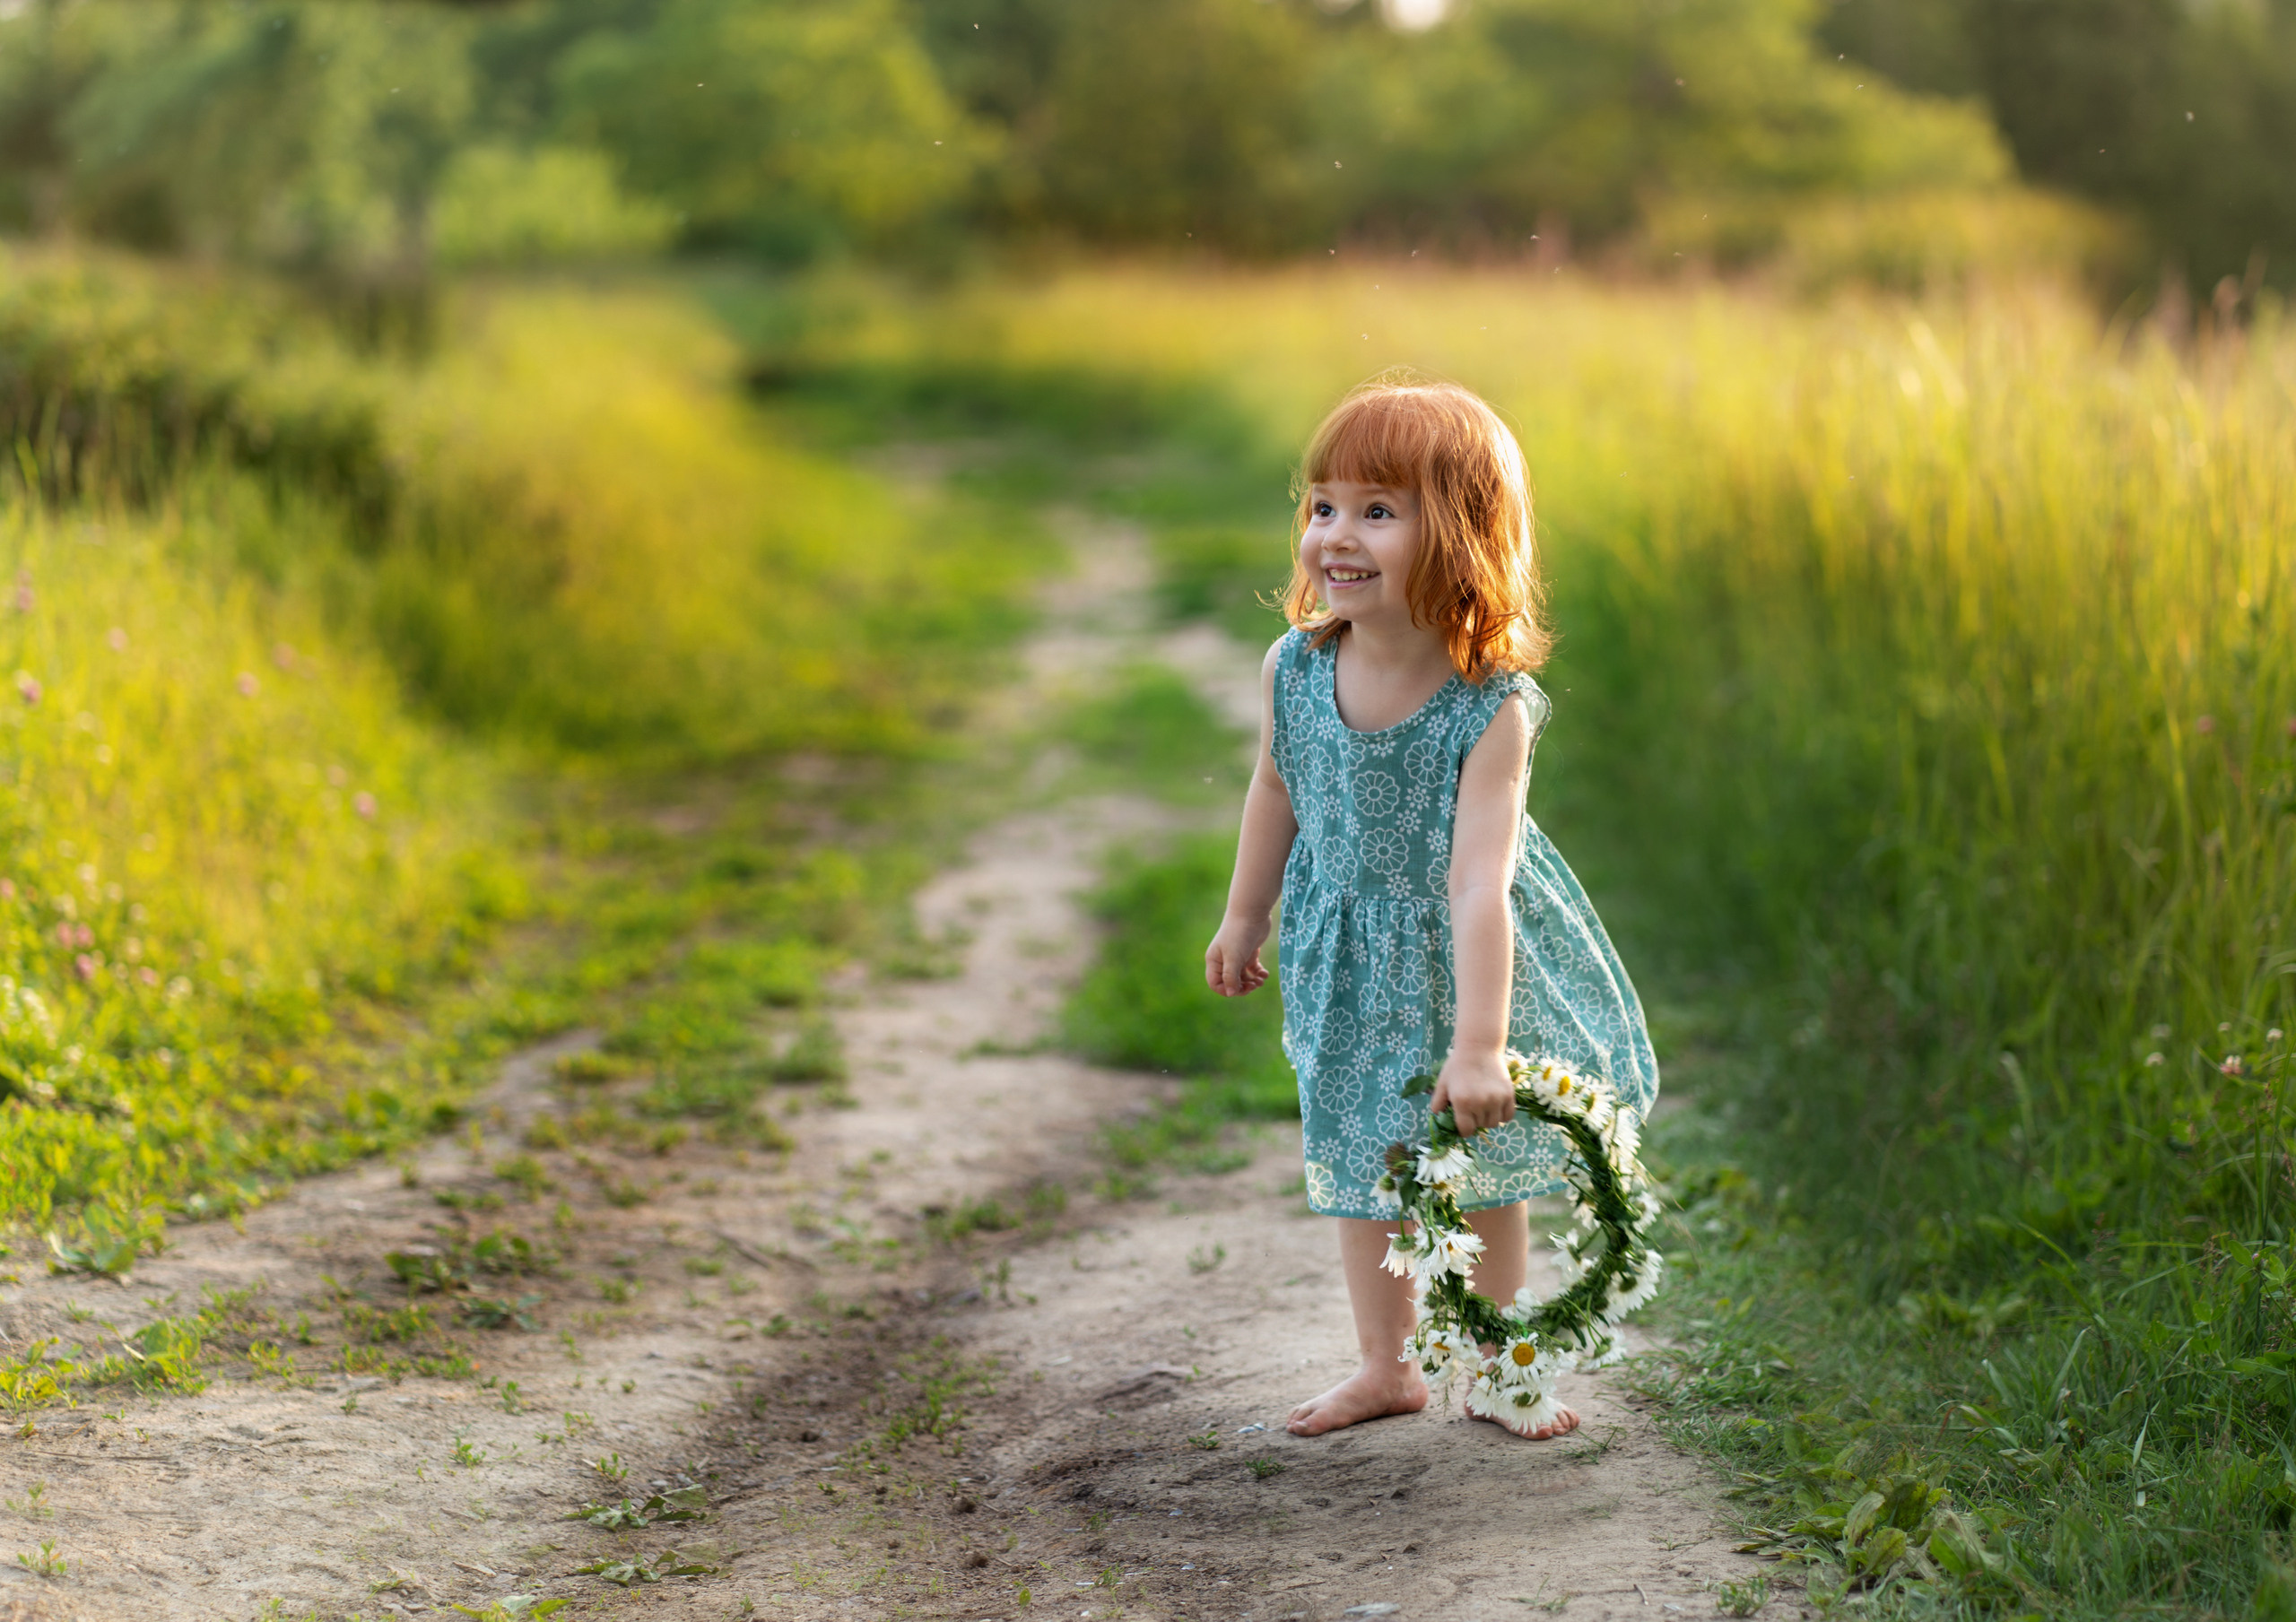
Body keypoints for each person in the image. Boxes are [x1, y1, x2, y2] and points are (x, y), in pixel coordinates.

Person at [1204, 375, 1659, 1441]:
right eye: (1323, 505)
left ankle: (1497, 1366)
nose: (1335, 534)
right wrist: (1244, 916)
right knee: (1361, 1152)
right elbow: (1274, 787)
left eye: (1377, 510)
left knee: (1480, 1166)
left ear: (1457, 535)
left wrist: (1479, 1046)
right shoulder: (1294, 667)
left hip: (1463, 955)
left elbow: (1476, 880)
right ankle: (1387, 1368)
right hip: (1345, 953)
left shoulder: (1487, 702)